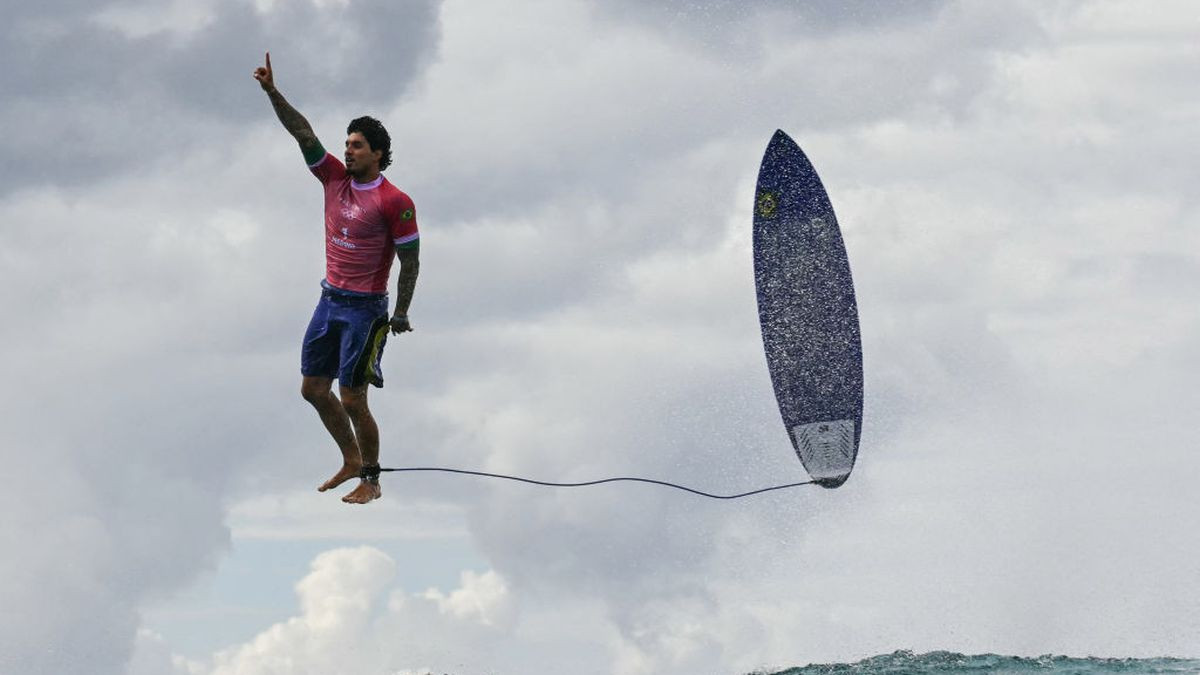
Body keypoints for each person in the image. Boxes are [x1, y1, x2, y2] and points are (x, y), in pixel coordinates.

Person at [253, 52, 420, 504]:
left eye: (357, 146)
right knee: (312, 389)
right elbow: (302, 132)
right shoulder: (332, 179)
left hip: (366, 310)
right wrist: (272, 92)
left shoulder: (394, 200)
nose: (347, 150)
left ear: (378, 154)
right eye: (347, 144)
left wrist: (401, 312)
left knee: (352, 398)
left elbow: (411, 260)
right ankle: (349, 458)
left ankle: (372, 478)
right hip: (330, 300)